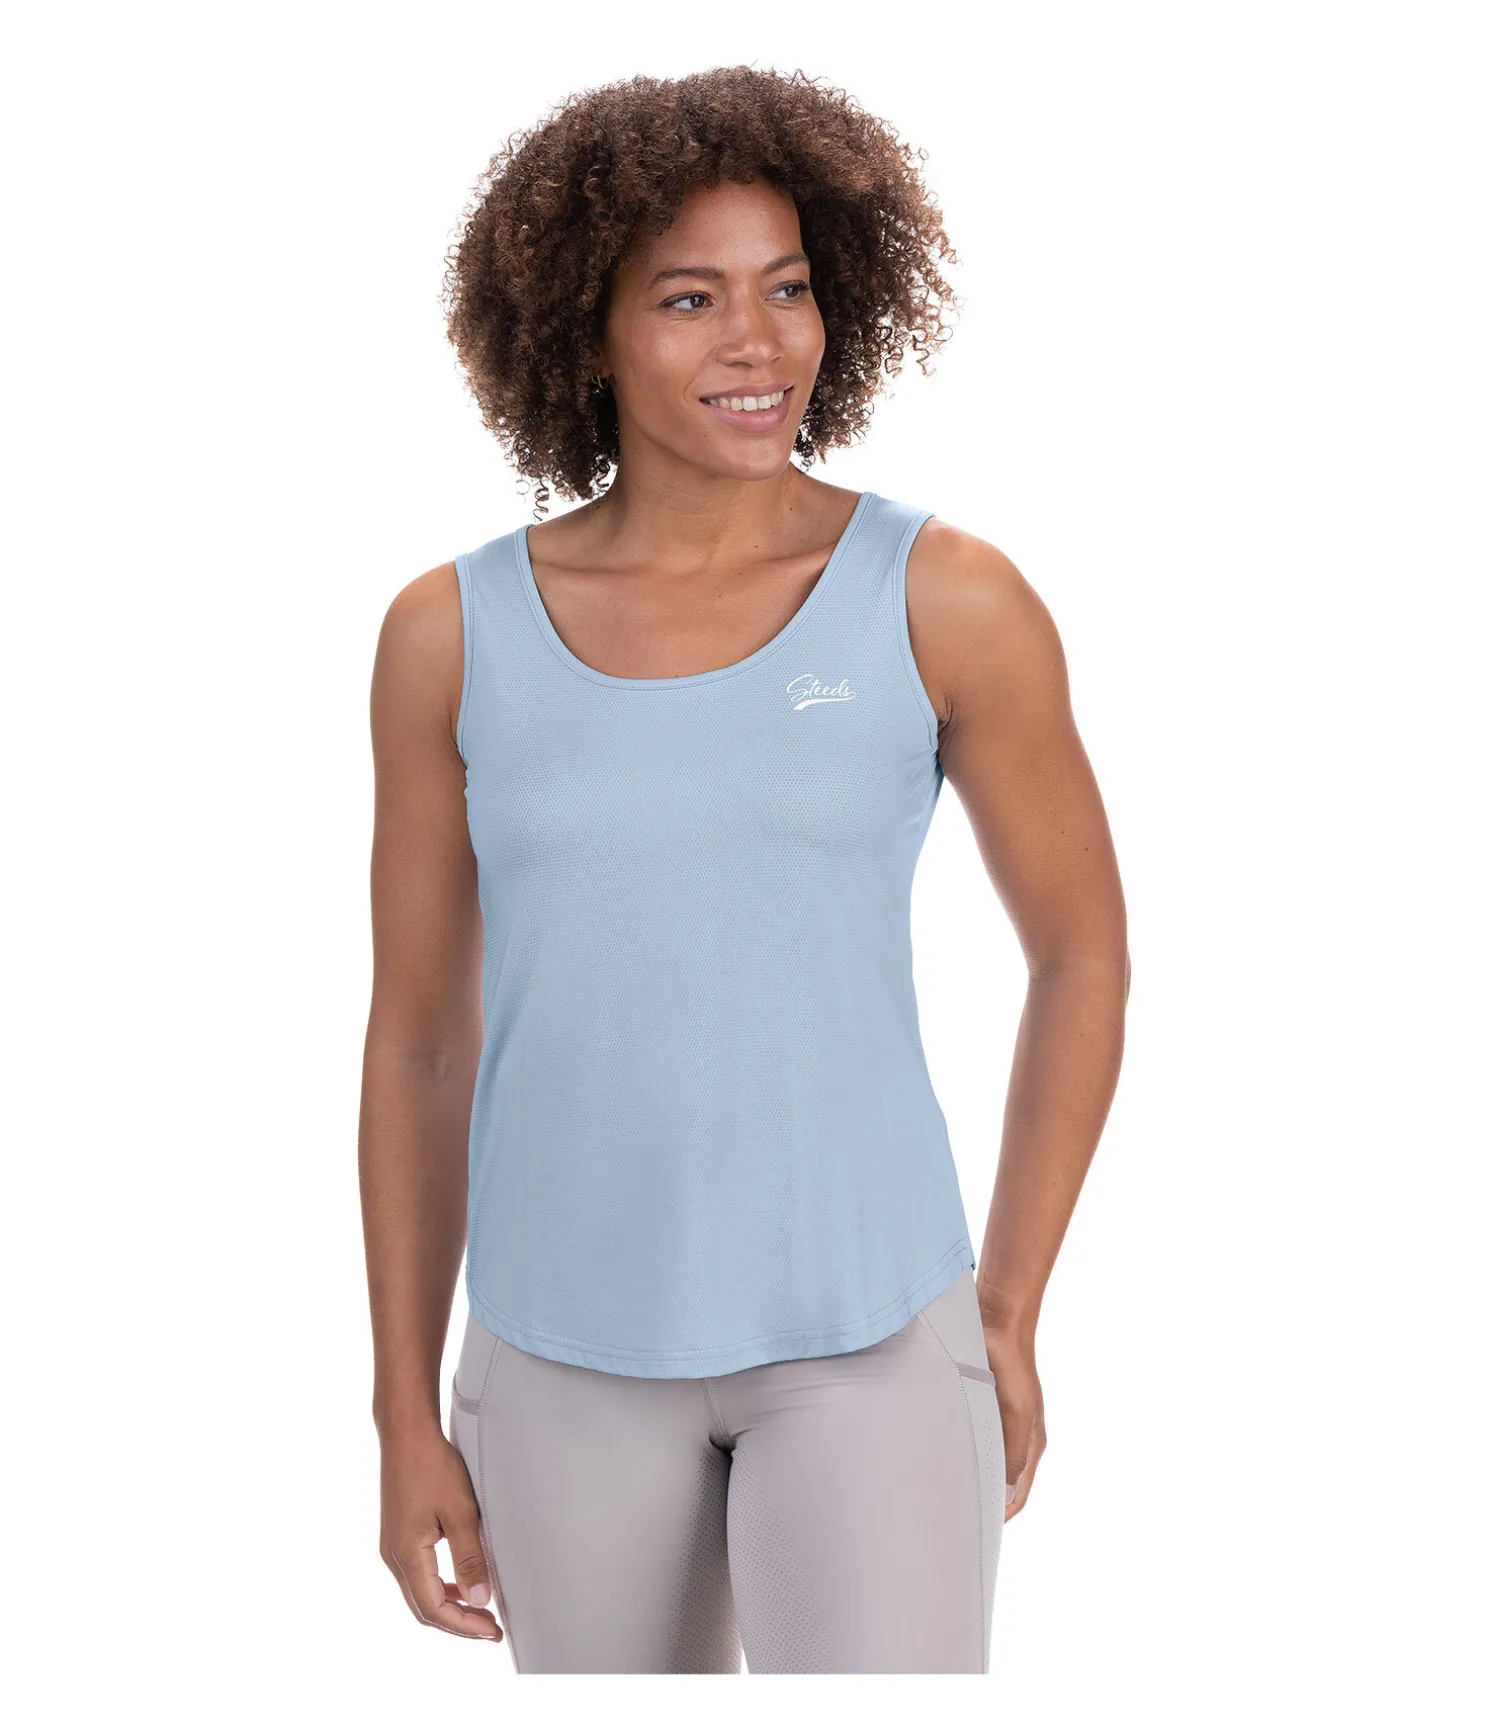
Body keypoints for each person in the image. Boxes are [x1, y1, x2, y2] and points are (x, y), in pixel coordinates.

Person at [359, 65, 1128, 1675]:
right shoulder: (448, 634)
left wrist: (1004, 1307)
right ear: (586, 331)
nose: (758, 344)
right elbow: (420, 1037)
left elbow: (1079, 956)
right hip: (560, 1352)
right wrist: (398, 1410)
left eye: (786, 287)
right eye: (689, 299)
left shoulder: (945, 597)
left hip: (869, 1337)